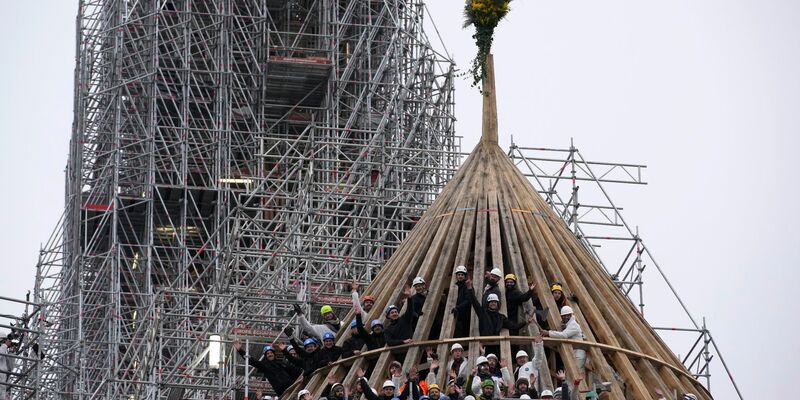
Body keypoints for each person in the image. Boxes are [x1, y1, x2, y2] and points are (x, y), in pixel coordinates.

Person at [467, 279, 534, 336]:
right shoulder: (483, 313)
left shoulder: (501, 318)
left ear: (497, 304)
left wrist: (526, 322)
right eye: (491, 302)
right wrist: (470, 289)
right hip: (485, 344)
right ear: (488, 303)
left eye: (495, 302)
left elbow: (514, 326)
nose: (493, 303)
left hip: (496, 346)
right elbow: (474, 302)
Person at [452, 265, 471, 337]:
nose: (460, 276)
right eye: (458, 275)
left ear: (465, 276)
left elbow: (468, 300)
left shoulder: (466, 286)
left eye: (462, 275)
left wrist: (458, 307)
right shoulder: (456, 286)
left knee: (465, 332)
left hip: (466, 314)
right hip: (459, 314)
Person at [0, 336, 15, 400]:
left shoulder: (4, 350)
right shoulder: (2, 348)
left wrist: (12, 353)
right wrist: (5, 346)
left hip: (4, 376)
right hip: (1, 374)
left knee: (3, 392)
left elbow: (11, 367)